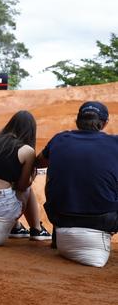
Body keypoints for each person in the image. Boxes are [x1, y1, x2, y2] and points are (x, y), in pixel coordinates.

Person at [36, 101, 118, 238]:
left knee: (54, 171)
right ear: (104, 123)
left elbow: (39, 162)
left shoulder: (59, 139)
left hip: (60, 216)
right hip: (105, 219)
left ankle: (58, 232)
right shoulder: (115, 142)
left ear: (77, 121)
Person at [0, 110, 51, 241]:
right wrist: (32, 176)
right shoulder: (27, 150)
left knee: (7, 188)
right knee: (26, 188)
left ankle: (15, 228)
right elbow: (23, 187)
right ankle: (36, 229)